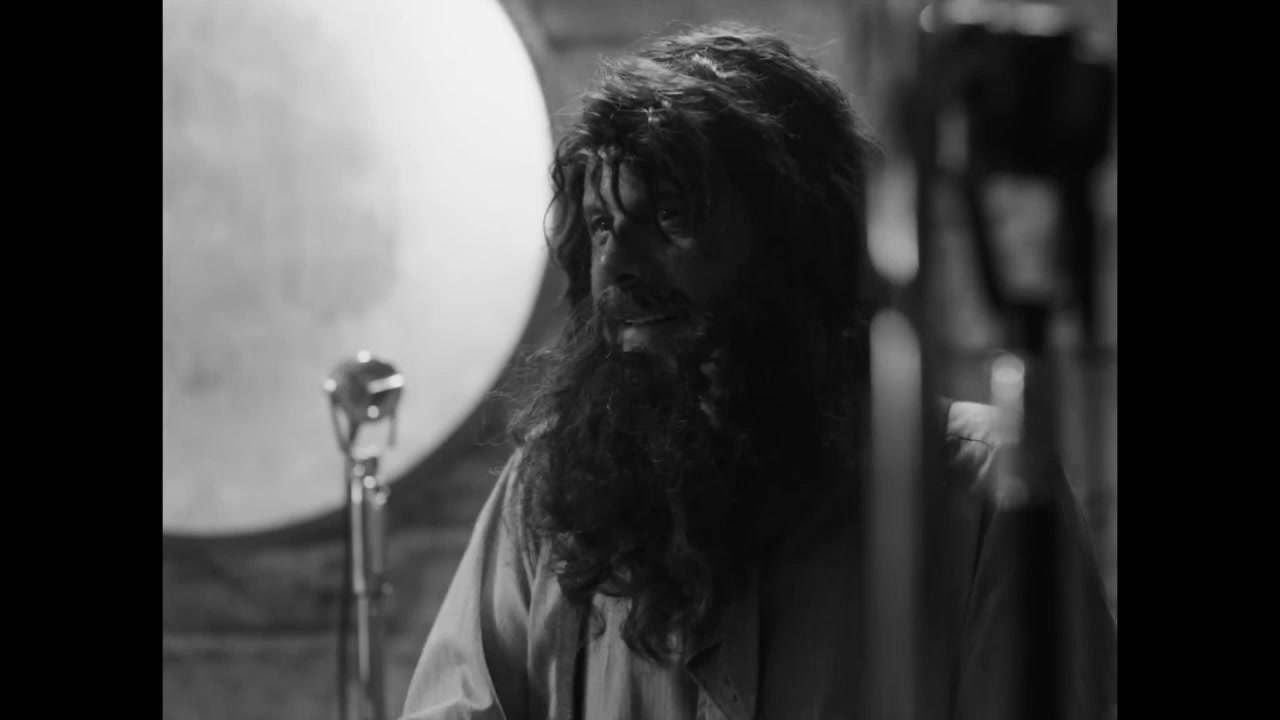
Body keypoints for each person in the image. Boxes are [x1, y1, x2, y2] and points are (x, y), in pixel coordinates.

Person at [401, 23, 1116, 720]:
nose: (617, 266)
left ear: (795, 238)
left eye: (670, 216)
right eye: (601, 227)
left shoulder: (979, 489)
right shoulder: (553, 495)